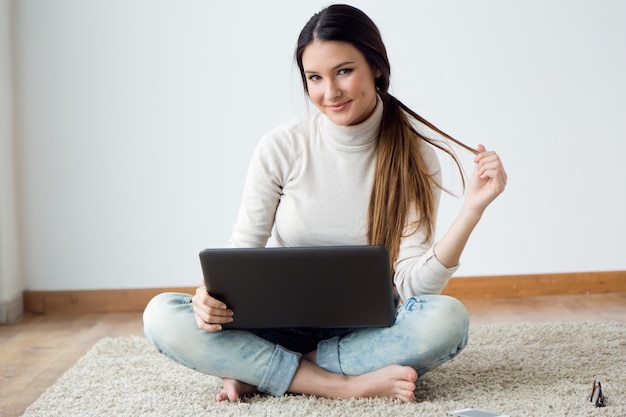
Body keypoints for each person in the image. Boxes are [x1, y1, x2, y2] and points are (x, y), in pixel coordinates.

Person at [143, 4, 507, 403]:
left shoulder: (415, 154)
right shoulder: (282, 147)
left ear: (377, 68)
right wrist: (208, 298)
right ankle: (340, 384)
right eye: (314, 77)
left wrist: (472, 210)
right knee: (161, 315)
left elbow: (413, 288)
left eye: (344, 71)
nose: (329, 92)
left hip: (366, 334)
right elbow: (241, 252)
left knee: (448, 320)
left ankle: (263, 370)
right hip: (275, 325)